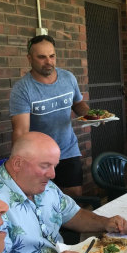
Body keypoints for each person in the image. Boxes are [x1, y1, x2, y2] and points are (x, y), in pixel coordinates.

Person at [0, 132, 127, 253]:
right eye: (45, 166)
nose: (53, 174)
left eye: (54, 166)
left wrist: (106, 222)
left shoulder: (41, 183)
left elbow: (73, 214)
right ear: (18, 164)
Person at [9, 35, 90, 198]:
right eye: (42, 57)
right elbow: (20, 131)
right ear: (29, 58)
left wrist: (92, 115)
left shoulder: (68, 78)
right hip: (38, 155)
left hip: (68, 148)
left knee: (74, 194)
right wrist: (17, 164)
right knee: (44, 198)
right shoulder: (22, 89)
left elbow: (78, 104)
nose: (48, 61)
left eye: (52, 56)